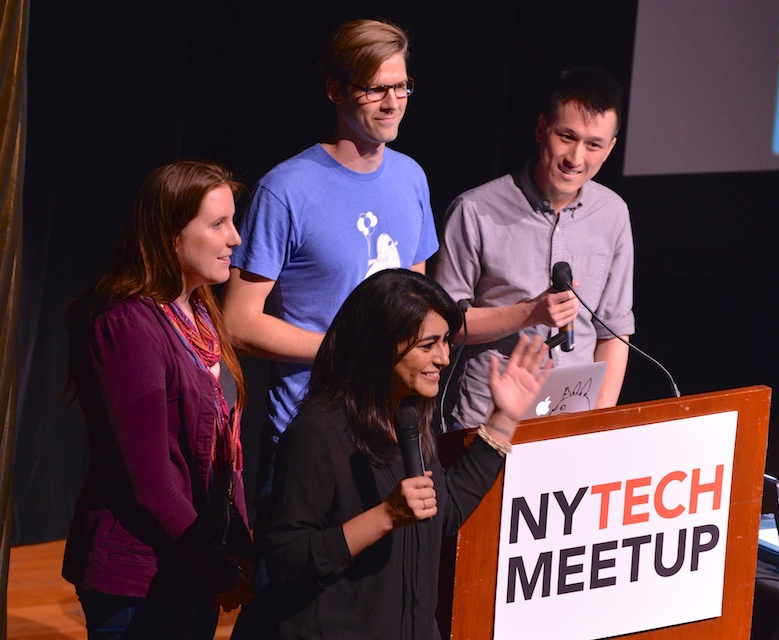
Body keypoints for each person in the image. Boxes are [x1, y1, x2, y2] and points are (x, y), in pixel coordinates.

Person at [222, 17, 437, 585]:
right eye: (374, 88)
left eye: (402, 86)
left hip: (392, 433)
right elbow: (238, 322)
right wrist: (348, 353)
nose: (393, 102)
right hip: (312, 436)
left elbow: (415, 307)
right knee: (291, 606)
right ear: (335, 89)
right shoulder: (287, 188)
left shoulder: (411, 178)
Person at [259, 269, 551, 639]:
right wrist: (385, 515)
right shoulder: (317, 433)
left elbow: (442, 515)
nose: (444, 358)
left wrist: (504, 419)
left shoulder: (409, 420)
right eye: (428, 345)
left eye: (446, 341)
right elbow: (287, 561)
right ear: (379, 347)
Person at [62, 160, 254, 639]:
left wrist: (240, 545)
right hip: (139, 573)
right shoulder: (128, 325)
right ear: (170, 234)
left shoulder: (199, 310)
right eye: (218, 224)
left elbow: (223, 452)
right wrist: (221, 569)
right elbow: (151, 483)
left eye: (233, 221)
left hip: (192, 561)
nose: (235, 238)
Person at [433, 67, 634, 429]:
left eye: (593, 144)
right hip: (486, 420)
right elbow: (447, 325)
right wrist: (530, 313)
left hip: (574, 420)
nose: (576, 157)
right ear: (542, 129)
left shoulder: (613, 214)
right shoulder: (475, 210)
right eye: (567, 136)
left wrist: (598, 422)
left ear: (610, 148)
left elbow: (614, 332)